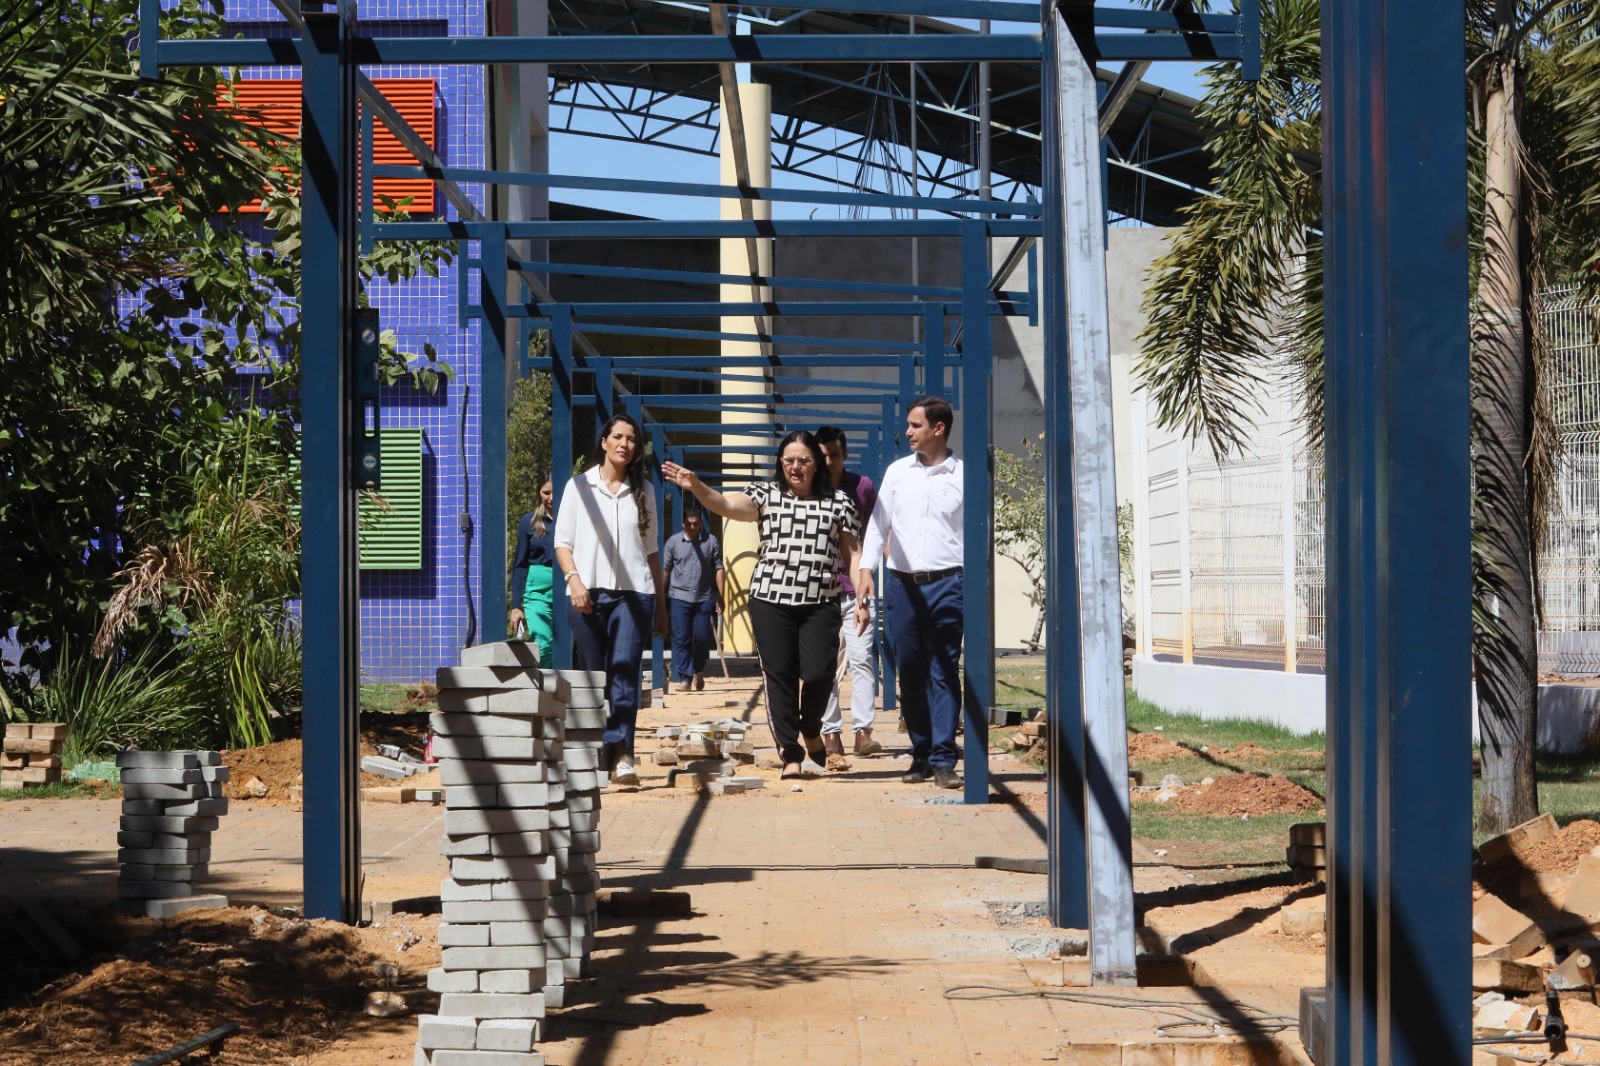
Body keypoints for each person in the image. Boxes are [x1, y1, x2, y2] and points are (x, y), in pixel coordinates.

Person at [662, 431, 863, 780]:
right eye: (789, 460)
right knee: (780, 676)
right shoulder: (765, 494)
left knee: (820, 673)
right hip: (770, 600)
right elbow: (725, 505)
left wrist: (862, 598)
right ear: (780, 462)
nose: (795, 467)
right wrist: (697, 487)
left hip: (821, 602)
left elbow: (853, 554)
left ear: (816, 463)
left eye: (803, 460)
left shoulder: (840, 502)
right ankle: (791, 754)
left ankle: (811, 727)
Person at [855, 396, 965, 790]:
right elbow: (877, 525)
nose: (907, 432)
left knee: (944, 668)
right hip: (901, 585)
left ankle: (944, 757)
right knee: (910, 668)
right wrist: (866, 570)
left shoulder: (962, 476)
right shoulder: (898, 473)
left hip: (948, 583)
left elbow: (976, 533)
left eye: (916, 425)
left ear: (938, 428)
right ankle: (921, 752)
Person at [554, 414, 669, 787]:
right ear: (604, 442)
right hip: (586, 596)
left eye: (632, 439)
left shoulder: (644, 491)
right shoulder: (579, 487)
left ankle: (622, 756)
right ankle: (596, 751)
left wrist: (661, 604)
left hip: (635, 596)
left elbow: (651, 551)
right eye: (617, 436)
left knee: (623, 675)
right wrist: (574, 581)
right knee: (594, 677)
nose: (625, 444)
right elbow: (563, 543)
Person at [814, 426, 881, 762]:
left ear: (845, 455)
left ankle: (863, 731)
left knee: (862, 658)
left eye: (835, 455)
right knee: (824, 664)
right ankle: (831, 733)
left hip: (856, 587)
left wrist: (868, 576)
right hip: (819, 590)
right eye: (823, 455)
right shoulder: (809, 488)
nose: (829, 462)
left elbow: (873, 532)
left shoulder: (862, 487)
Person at [660, 507, 725, 691]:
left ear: (701, 524)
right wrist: (660, 595)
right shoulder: (673, 542)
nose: (693, 527)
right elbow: (666, 569)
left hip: (704, 597)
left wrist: (721, 596)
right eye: (689, 524)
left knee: (702, 637)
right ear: (683, 524)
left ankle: (698, 669)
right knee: (682, 638)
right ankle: (685, 678)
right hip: (679, 596)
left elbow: (718, 567)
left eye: (696, 524)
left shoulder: (711, 541)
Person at [509, 477, 556, 658]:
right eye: (546, 492)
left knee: (565, 648)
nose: (551, 497)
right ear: (539, 493)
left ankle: (560, 678)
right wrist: (516, 605)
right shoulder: (528, 521)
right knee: (543, 645)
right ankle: (544, 677)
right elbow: (520, 564)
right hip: (537, 590)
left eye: (555, 492)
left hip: (568, 585)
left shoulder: (573, 519)